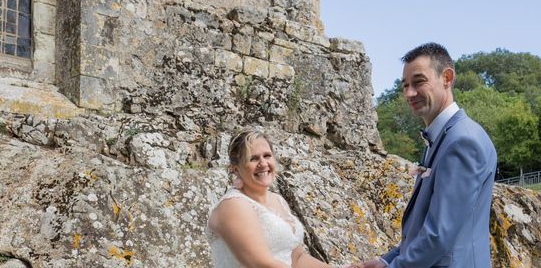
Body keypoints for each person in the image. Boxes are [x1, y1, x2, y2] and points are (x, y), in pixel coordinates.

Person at [360, 42, 497, 268]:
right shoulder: (441, 137)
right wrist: (387, 260)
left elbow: (438, 234)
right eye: (405, 86)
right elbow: (424, 228)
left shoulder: (463, 141)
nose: (409, 93)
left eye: (419, 82)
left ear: (447, 78)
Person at [207, 129, 344, 268]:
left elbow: (297, 258)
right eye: (253, 158)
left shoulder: (278, 200)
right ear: (236, 169)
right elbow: (260, 264)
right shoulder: (233, 205)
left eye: (267, 156)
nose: (263, 163)